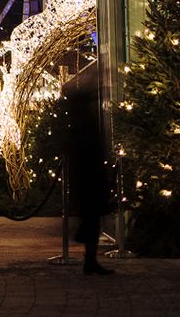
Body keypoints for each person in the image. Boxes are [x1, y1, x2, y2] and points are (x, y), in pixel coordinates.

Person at [64, 65, 114, 275]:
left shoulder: (78, 118)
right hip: (89, 177)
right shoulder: (83, 121)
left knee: (90, 219)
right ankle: (90, 261)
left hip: (86, 177)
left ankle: (90, 259)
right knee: (91, 218)